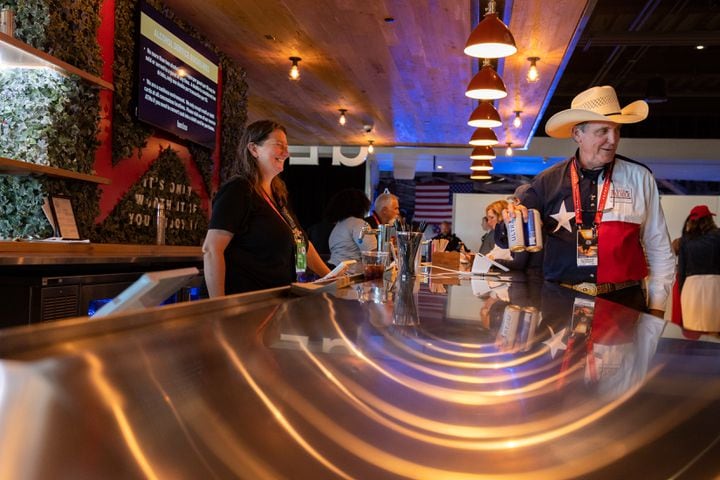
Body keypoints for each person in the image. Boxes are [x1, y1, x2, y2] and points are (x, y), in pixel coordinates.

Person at [503, 85, 675, 317]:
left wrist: (657, 307)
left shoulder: (640, 177)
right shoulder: (547, 181)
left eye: (617, 130)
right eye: (602, 131)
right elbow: (509, 239)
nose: (612, 140)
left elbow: (659, 246)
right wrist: (509, 221)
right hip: (562, 305)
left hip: (623, 306)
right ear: (577, 134)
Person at [203, 120, 330, 297]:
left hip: (278, 302)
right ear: (254, 149)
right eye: (279, 145)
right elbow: (212, 249)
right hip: (247, 304)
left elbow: (302, 243)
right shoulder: (239, 189)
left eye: (286, 146)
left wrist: (332, 278)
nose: (286, 153)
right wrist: (219, 307)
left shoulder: (278, 195)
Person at [677, 205, 720, 332]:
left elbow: (681, 271)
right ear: (709, 219)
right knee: (715, 333)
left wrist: (681, 293)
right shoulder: (718, 237)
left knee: (693, 333)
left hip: (691, 289)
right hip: (715, 286)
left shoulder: (685, 240)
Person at [327, 189, 377, 268]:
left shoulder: (337, 226)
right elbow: (372, 254)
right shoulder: (359, 224)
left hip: (332, 271)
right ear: (362, 205)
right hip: (350, 275)